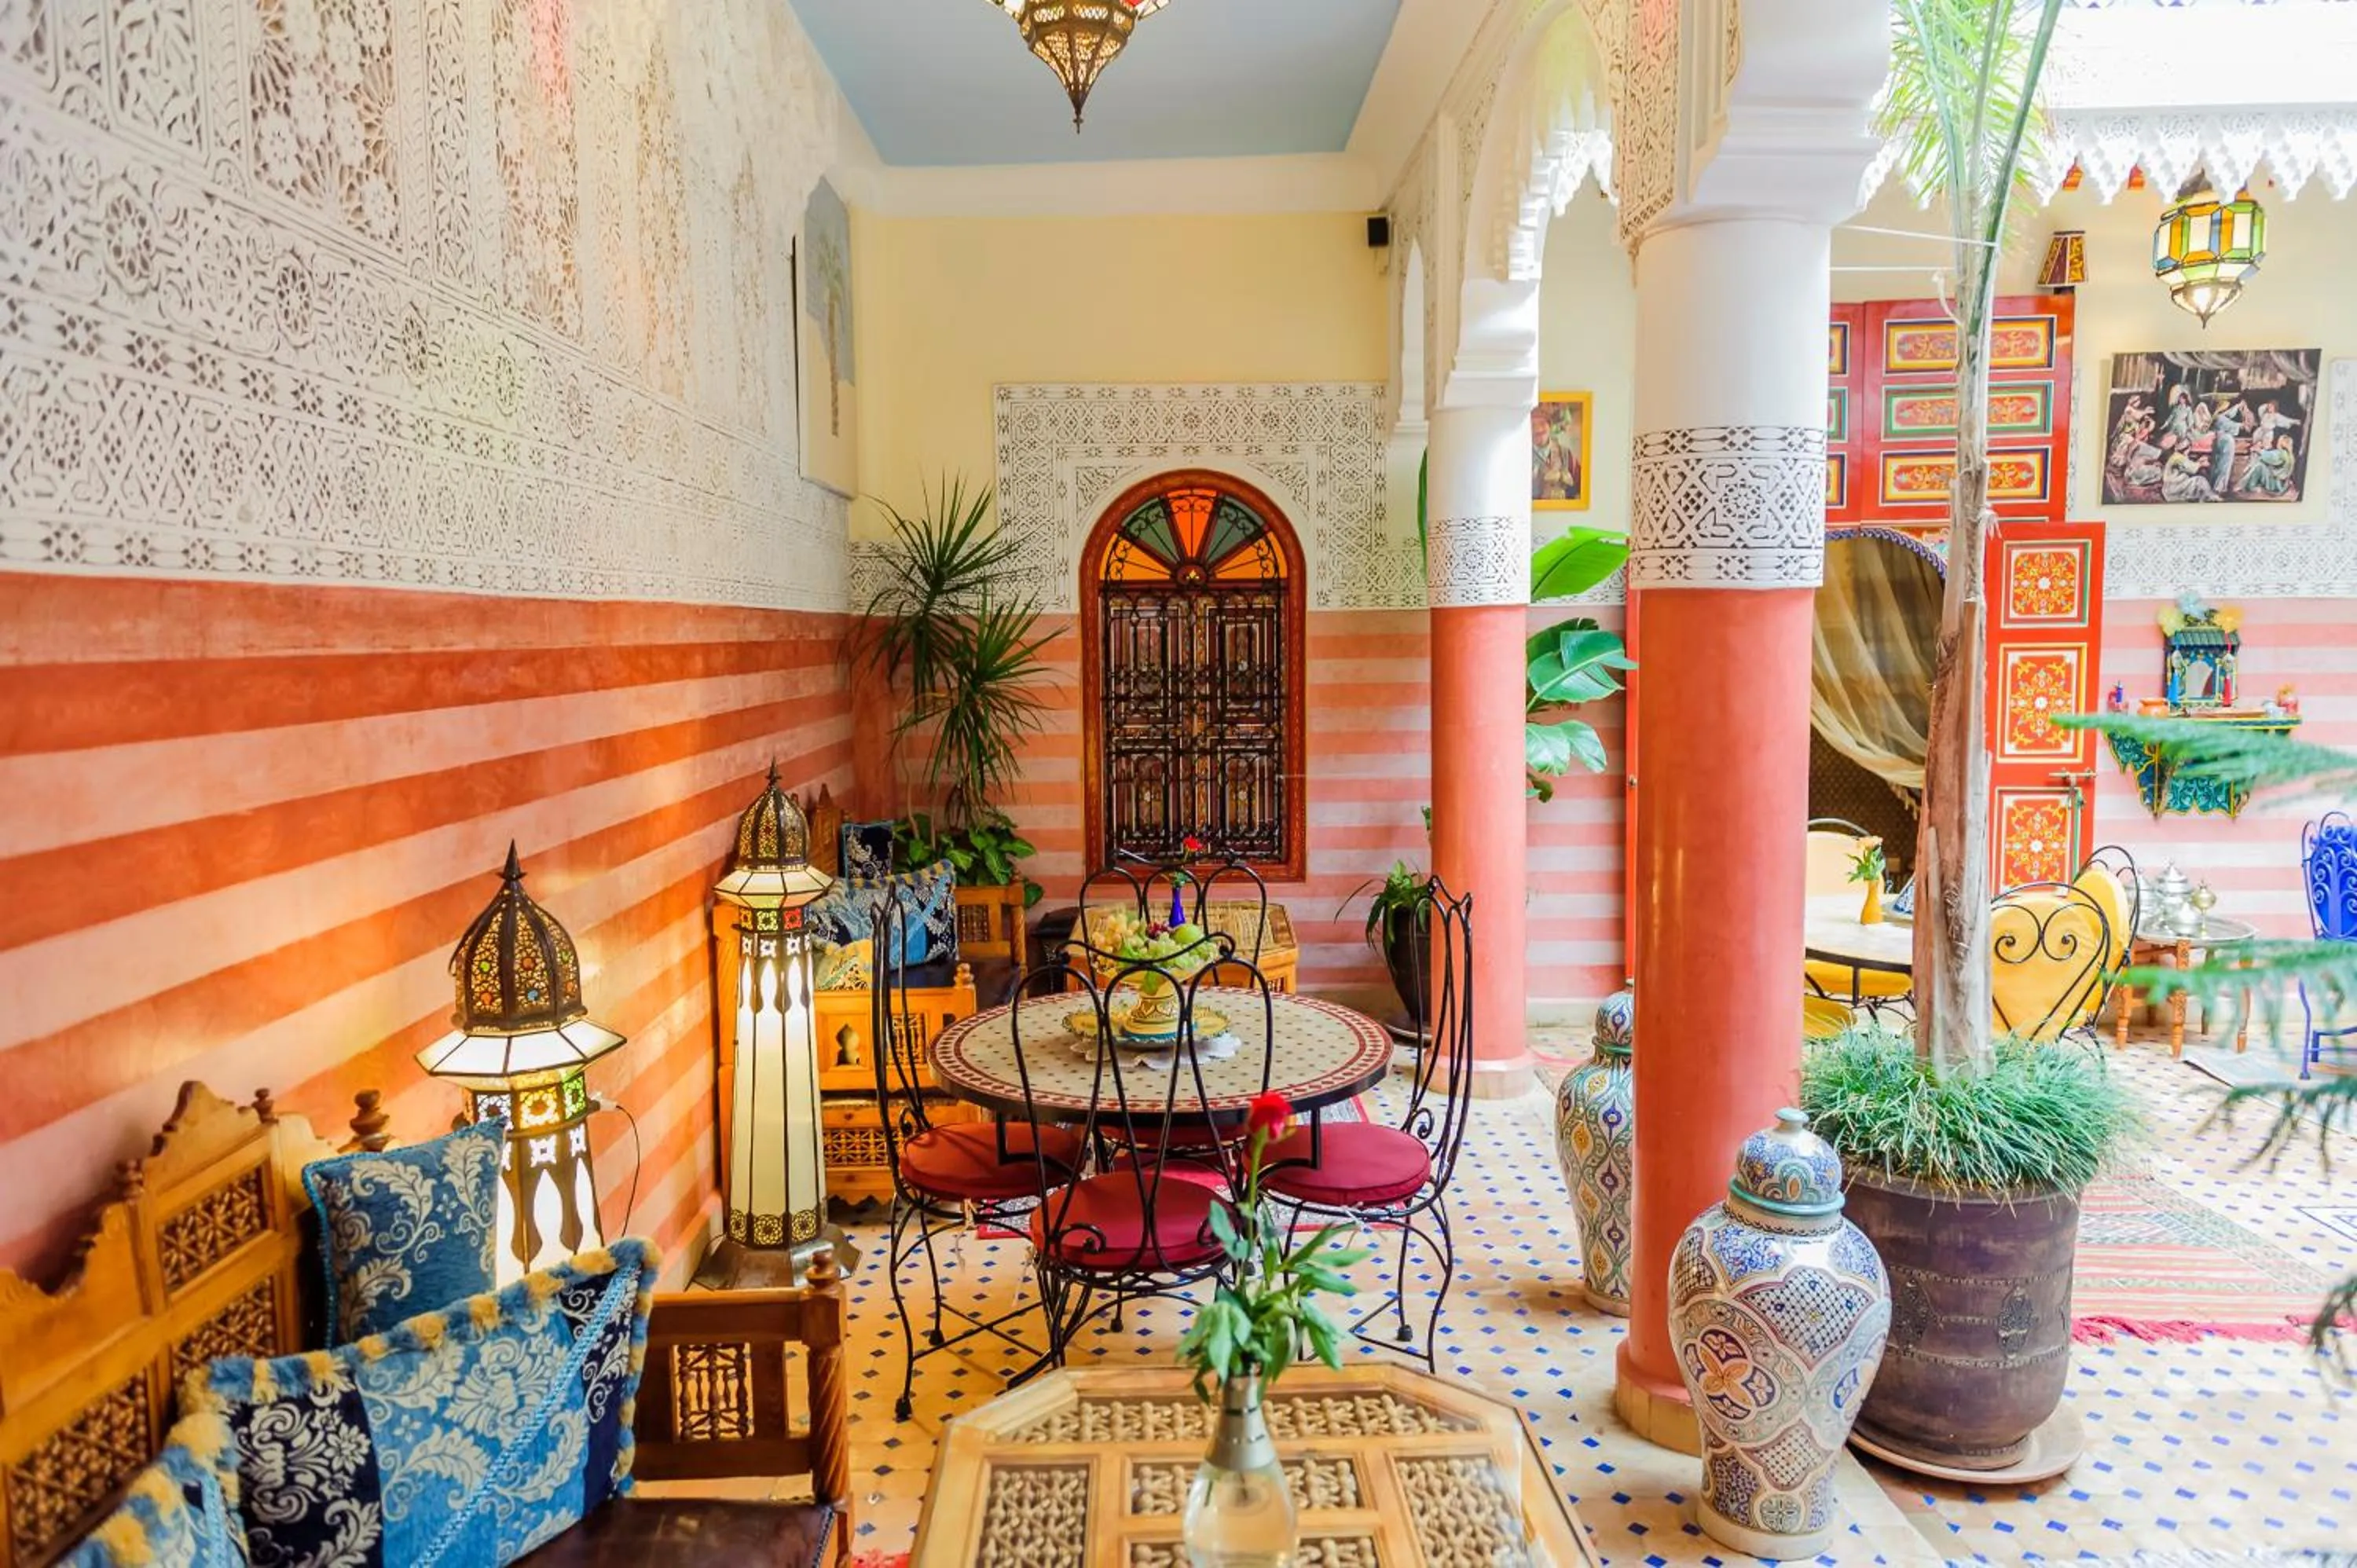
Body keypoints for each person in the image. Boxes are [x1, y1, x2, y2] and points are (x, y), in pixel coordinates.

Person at [2241, 431, 2298, 496]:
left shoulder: (2282, 454)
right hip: (2281, 482)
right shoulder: (2289, 455)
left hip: (2276, 484)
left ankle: (2251, 486)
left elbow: (2271, 457)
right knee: (2262, 464)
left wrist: (2258, 450)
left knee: (2260, 466)